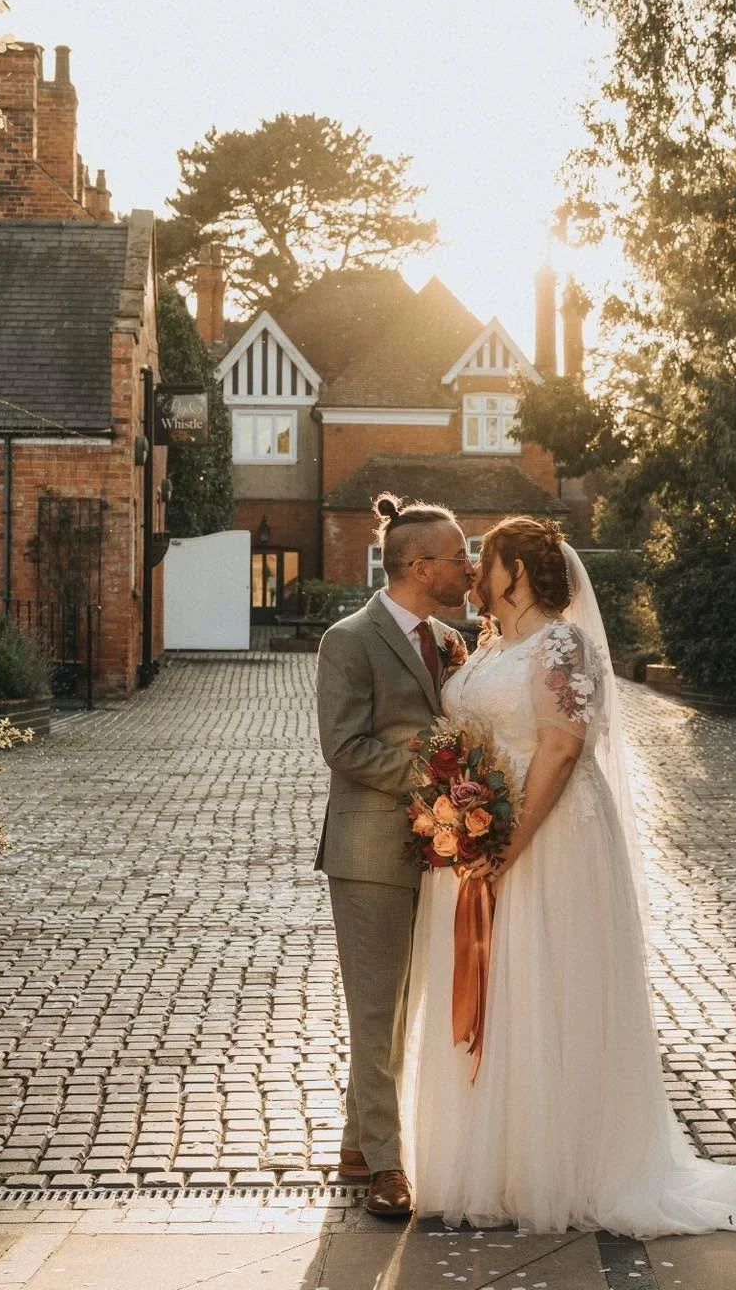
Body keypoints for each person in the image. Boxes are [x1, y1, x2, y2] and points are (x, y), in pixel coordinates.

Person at [404, 515, 736, 1235]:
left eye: (488, 557)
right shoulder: (486, 647)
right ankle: (496, 1160)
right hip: (481, 839)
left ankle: (564, 1163)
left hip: (550, 837)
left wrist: (509, 845)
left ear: (518, 571)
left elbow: (563, 750)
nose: (475, 568)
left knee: (548, 986)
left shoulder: (562, 643)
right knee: (499, 991)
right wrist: (459, 814)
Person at [314, 491, 473, 1218]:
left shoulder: (449, 641)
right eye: (459, 555)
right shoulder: (348, 639)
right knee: (377, 1009)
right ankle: (385, 1167)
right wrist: (434, 776)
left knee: (411, 1005)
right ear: (418, 565)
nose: (469, 566)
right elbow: (344, 748)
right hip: (371, 848)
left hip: (438, 851)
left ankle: (356, 1139)